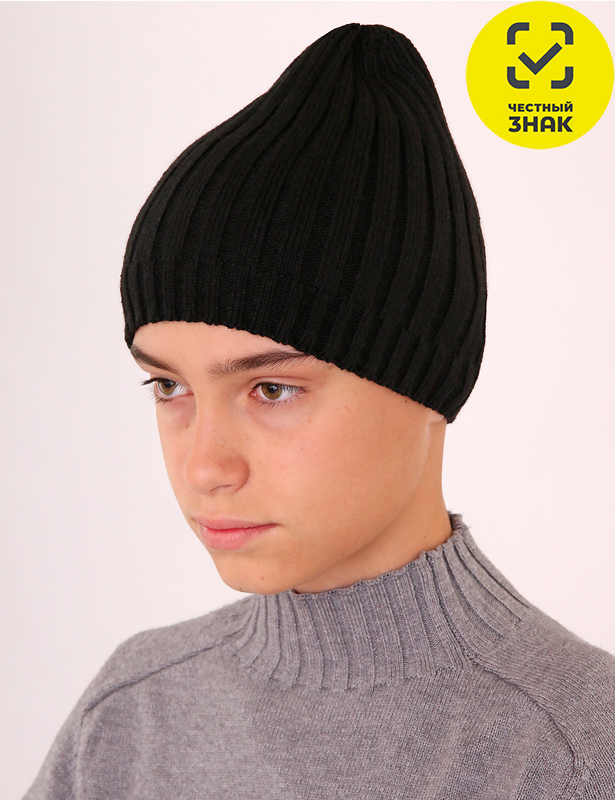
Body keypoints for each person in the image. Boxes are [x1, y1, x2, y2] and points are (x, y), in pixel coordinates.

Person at [24, 22, 615, 800]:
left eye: (271, 389)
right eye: (168, 386)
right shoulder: (130, 714)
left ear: (426, 383)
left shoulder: (576, 747)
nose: (203, 467)